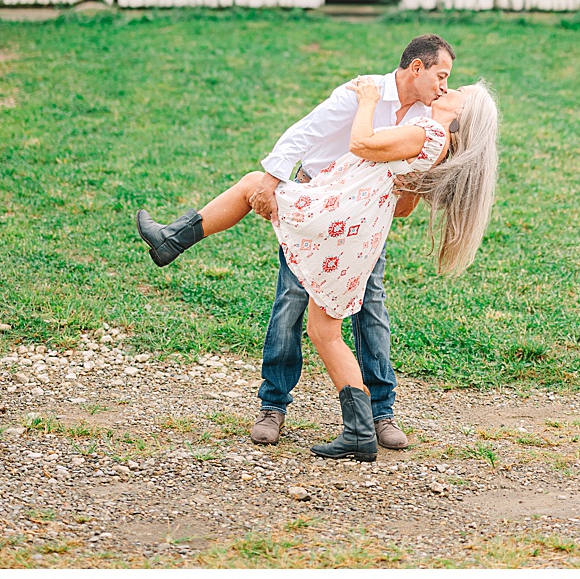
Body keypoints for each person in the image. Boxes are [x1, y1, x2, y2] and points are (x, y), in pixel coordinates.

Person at [135, 72, 500, 460]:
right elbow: (403, 203)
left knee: (252, 184)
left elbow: (362, 143)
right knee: (324, 331)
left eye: (459, 91)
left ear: (463, 114)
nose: (450, 89)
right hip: (358, 234)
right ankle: (360, 432)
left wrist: (368, 101)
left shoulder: (428, 133)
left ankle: (171, 240)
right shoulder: (435, 143)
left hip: (334, 219)